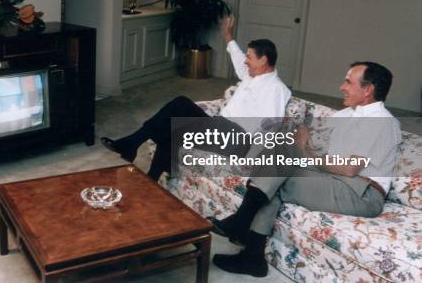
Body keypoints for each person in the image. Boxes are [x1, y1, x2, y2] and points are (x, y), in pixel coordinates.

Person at [209, 61, 402, 277]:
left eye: (348, 82)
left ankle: (243, 230)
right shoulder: (349, 113)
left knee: (275, 175)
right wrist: (302, 130)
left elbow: (349, 169)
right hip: (333, 180)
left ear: (368, 89)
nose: (342, 87)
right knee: (275, 170)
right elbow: (307, 128)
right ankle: (250, 250)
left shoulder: (384, 122)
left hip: (361, 193)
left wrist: (307, 154)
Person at [100, 15, 291, 180]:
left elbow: (271, 125)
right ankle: (152, 177)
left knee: (180, 105)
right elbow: (237, 58)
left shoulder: (276, 89)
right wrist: (228, 36)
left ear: (263, 60)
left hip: (236, 138)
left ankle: (132, 144)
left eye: (249, 57)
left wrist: (252, 156)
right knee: (173, 125)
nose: (245, 60)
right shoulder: (252, 75)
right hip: (220, 127)